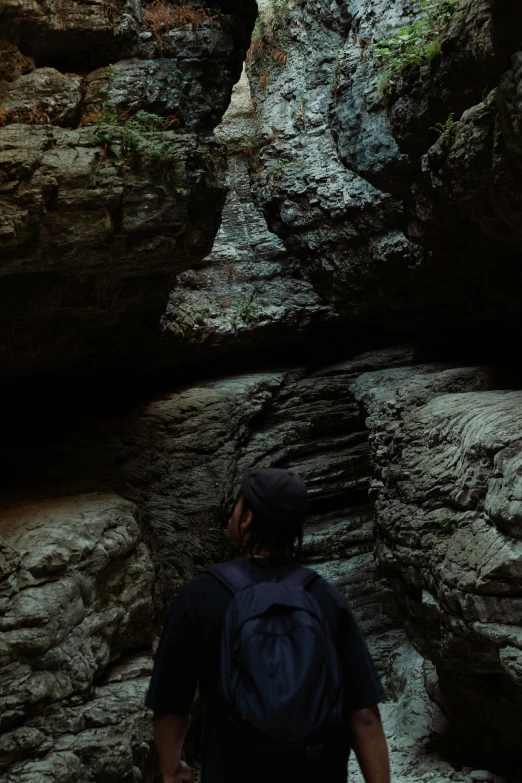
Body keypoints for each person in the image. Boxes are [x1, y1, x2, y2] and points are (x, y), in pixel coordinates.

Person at [145, 467, 391, 783]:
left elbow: (170, 704)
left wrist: (171, 768)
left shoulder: (200, 596)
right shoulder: (325, 599)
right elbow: (365, 715)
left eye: (236, 507)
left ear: (247, 518)